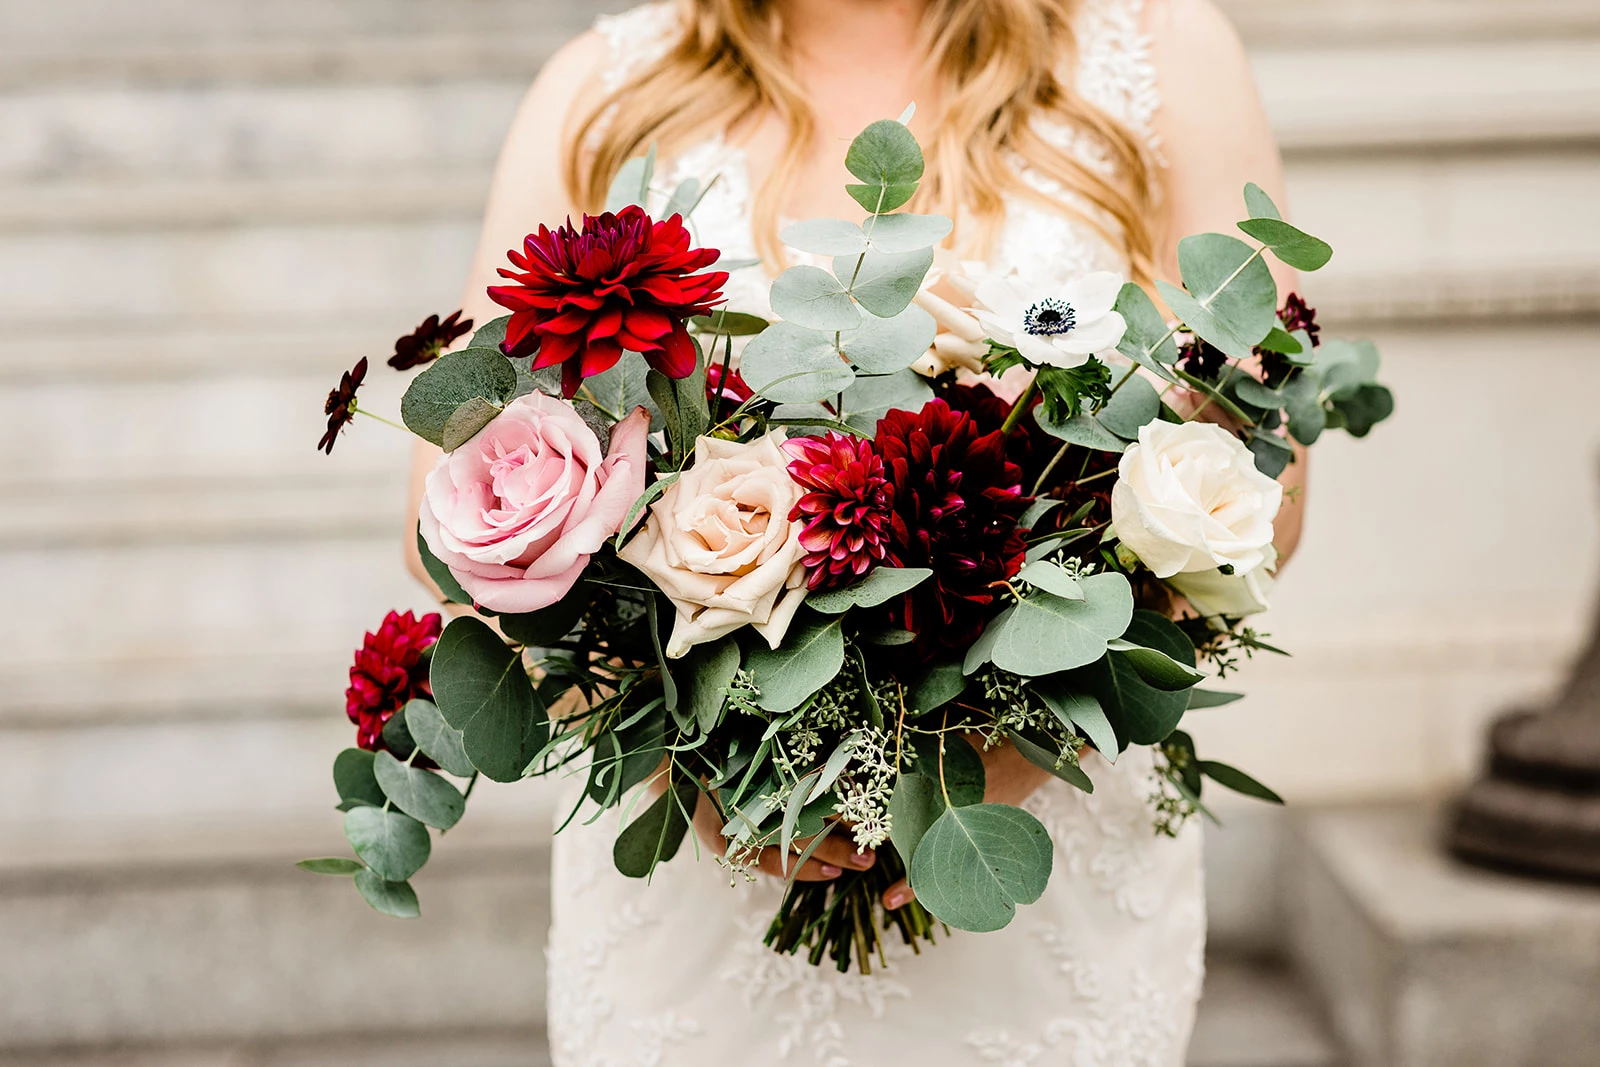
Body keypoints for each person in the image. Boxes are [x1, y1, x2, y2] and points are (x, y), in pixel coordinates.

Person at [406, 0, 1307, 1061]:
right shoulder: (600, 93)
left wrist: (1005, 749)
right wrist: (689, 760)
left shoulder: (1161, 56)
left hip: (1042, 880)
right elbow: (453, 499)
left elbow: (1264, 483)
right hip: (701, 916)